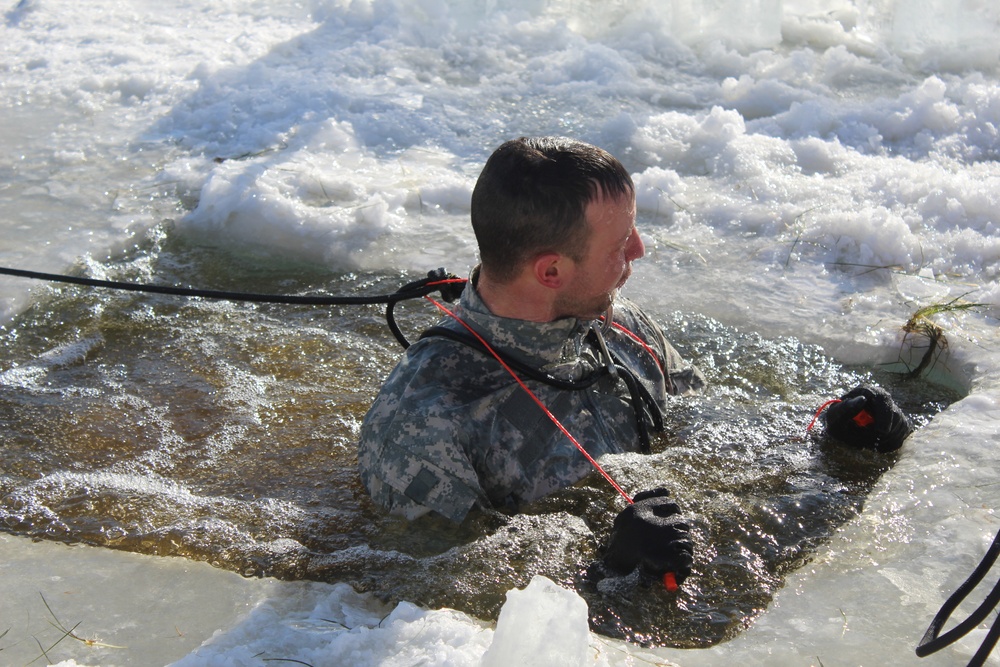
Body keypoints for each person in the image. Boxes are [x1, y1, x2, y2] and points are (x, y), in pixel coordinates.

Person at [358, 136, 704, 583]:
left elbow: (703, 428)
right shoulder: (425, 423)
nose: (639, 249)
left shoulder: (622, 325)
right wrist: (608, 570)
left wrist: (811, 441)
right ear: (552, 271)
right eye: (620, 243)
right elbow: (446, 595)